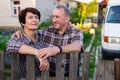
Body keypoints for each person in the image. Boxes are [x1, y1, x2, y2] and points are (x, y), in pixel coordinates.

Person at [7, 5, 83, 76]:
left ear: (67, 19)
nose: (54, 20)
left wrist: (56, 49)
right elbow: (15, 42)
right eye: (53, 17)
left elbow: (77, 46)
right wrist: (19, 32)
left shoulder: (75, 32)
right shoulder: (46, 31)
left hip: (70, 75)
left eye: (57, 17)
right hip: (46, 74)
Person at [6, 7, 51, 78]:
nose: (35, 20)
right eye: (30, 17)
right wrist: (38, 53)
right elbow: (11, 45)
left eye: (36, 17)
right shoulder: (18, 38)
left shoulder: (41, 36)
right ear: (23, 23)